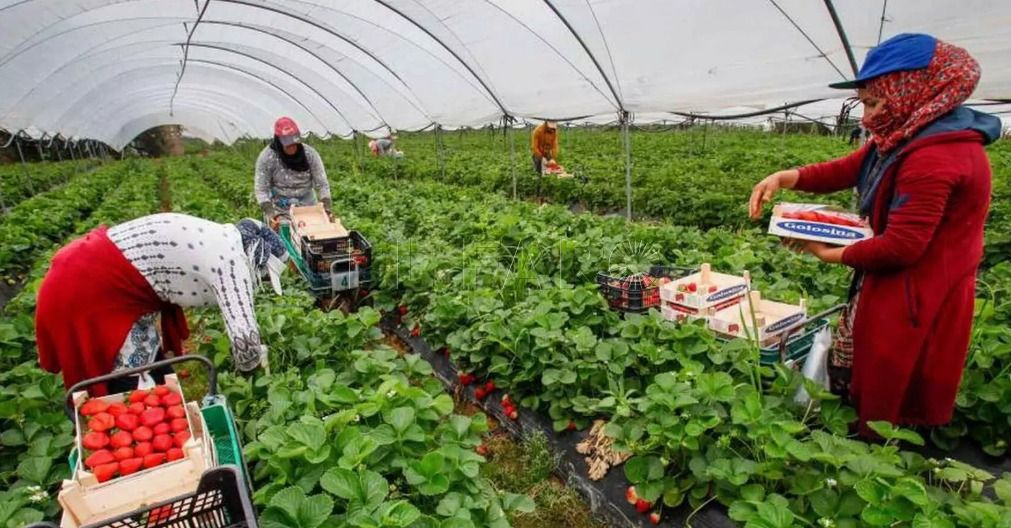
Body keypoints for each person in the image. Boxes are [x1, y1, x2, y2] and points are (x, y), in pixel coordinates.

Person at [748, 33, 1001, 437]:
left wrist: (826, 253)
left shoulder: (936, 156)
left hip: (920, 288)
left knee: (893, 373)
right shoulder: (906, 134)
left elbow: (902, 246)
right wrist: (785, 177)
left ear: (913, 91)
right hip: (896, 280)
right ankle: (864, 431)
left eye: (873, 102)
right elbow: (848, 167)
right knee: (869, 359)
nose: (866, 117)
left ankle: (876, 455)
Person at [35, 213, 289, 395]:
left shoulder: (222, 237)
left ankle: (162, 405)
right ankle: (137, 425)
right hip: (88, 286)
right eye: (265, 276)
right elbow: (244, 338)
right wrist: (260, 381)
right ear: (257, 259)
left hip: (91, 268)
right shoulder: (231, 262)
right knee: (129, 371)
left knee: (149, 355)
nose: (262, 283)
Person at [254, 116, 332, 226]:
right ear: (279, 142)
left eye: (294, 144)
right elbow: (261, 190)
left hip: (308, 208)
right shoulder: (267, 158)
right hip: (281, 210)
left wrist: (326, 208)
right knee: (284, 236)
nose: (292, 148)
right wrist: (271, 213)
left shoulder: (309, 154)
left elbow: (322, 184)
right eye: (288, 145)